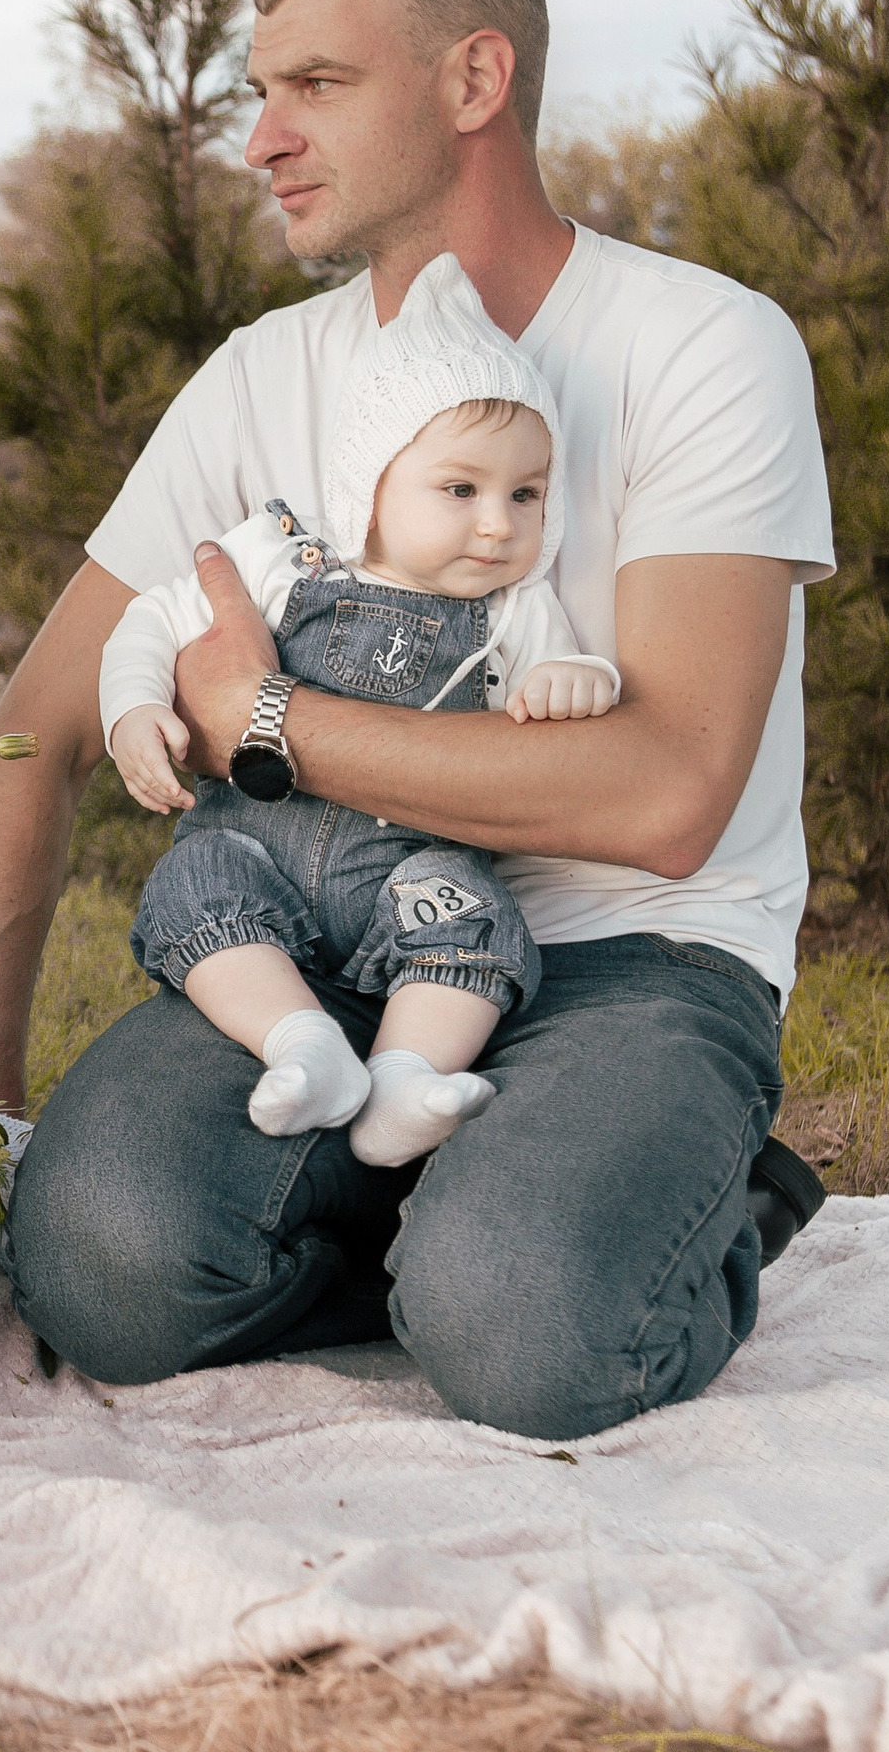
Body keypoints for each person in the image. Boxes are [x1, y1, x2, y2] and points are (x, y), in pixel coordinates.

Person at [0, 0, 834, 1442]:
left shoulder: (703, 345)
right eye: (258, 92)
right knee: (91, 1271)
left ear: (473, 82)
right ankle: (441, 1210)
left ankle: (624, 1216)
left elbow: (670, 793)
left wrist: (267, 719)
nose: (262, 137)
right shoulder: (261, 378)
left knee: (524, 1330)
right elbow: (31, 739)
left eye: (317, 87)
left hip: (643, 958)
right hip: (314, 942)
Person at [102, 253, 620, 1170]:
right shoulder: (281, 559)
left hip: (408, 876)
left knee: (475, 924)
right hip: (255, 857)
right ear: (372, 483)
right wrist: (134, 708)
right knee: (197, 890)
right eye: (460, 490)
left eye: (526, 494)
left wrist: (579, 682)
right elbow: (154, 617)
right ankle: (300, 1043)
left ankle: (404, 1080)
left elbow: (571, 674)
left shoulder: (515, 610)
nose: (499, 524)